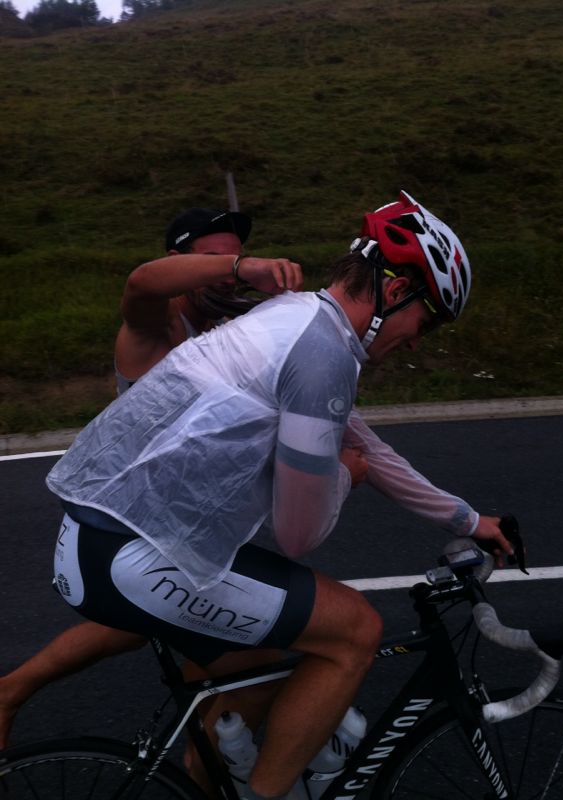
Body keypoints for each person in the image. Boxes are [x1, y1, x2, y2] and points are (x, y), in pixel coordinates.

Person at [44, 191, 513, 800]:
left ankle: (213, 781)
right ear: (397, 292)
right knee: (355, 632)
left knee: (263, 666)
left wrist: (466, 519)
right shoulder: (322, 356)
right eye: (425, 323)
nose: (417, 342)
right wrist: (344, 477)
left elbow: (368, 447)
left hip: (101, 535)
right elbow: (299, 534)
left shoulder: (294, 316)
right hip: (133, 554)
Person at [0, 207, 306, 754]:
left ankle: (14, 692)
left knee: (142, 630)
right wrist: (243, 268)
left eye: (235, 257)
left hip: (177, 526)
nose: (227, 273)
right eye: (213, 260)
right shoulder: (157, 324)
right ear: (179, 261)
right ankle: (208, 767)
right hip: (133, 527)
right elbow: (142, 282)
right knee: (252, 665)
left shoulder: (224, 331)